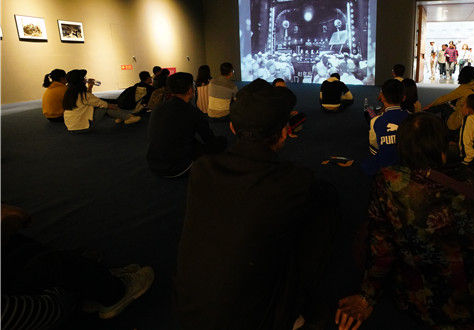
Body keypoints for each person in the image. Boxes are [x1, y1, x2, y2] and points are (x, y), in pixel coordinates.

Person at [335, 113, 474, 330]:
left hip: (434, 308)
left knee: (367, 233)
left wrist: (366, 297)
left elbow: (382, 246)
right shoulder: (467, 179)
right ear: (444, 150)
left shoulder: (389, 182)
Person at [176, 79, 338, 330]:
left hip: (189, 313)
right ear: (284, 132)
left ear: (232, 128)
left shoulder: (201, 169)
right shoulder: (296, 182)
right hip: (256, 319)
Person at [2, 204, 154, 325]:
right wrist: (69, 293)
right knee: (55, 264)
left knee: (19, 247)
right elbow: (25, 314)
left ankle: (87, 272)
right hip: (34, 309)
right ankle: (115, 293)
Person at [147, 72, 227, 178]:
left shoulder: (158, 107)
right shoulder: (192, 112)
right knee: (220, 142)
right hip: (177, 168)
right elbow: (209, 138)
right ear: (190, 90)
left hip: (153, 164)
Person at [63, 69, 140, 132]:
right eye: (83, 78)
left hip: (71, 127)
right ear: (80, 81)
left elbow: (89, 100)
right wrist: (114, 106)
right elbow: (101, 103)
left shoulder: (69, 94)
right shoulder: (84, 95)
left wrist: (90, 87)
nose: (85, 79)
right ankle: (128, 117)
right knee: (105, 106)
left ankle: (121, 116)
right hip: (82, 127)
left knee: (104, 105)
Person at [363, 79, 409, 176]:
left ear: (382, 97)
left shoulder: (375, 121)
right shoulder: (413, 118)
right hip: (408, 165)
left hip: (385, 168)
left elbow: (374, 145)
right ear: (404, 98)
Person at [424, 66, 474, 133]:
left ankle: (423, 114)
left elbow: (445, 98)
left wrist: (431, 105)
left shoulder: (464, 88)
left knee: (443, 105)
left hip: (461, 119)